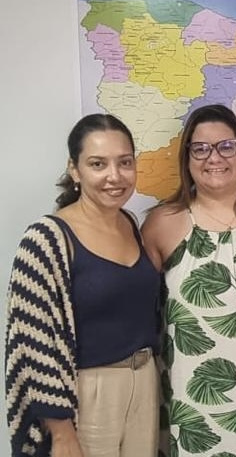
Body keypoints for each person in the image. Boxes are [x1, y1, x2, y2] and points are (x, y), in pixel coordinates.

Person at [141, 104, 236, 457]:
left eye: (226, 146)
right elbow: (143, 312)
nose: (214, 158)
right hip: (189, 396)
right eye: (200, 149)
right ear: (187, 158)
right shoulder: (162, 223)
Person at [5, 114, 160, 457]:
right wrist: (60, 430)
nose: (114, 176)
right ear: (74, 170)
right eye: (97, 164)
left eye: (125, 162)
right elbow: (33, 342)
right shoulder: (45, 239)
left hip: (144, 383)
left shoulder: (130, 223)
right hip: (86, 396)